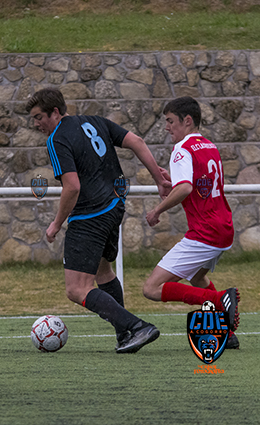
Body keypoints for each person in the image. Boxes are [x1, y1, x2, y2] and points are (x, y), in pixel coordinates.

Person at [26, 88, 172, 353]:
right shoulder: (95, 121)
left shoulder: (56, 139)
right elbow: (137, 141)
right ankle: (125, 335)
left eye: (39, 117)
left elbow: (72, 187)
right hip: (114, 207)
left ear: (55, 112)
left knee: (76, 289)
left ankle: (138, 326)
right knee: (103, 272)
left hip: (90, 215)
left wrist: (56, 223)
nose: (36, 124)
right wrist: (159, 179)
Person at [143, 96, 240, 348]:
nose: (167, 127)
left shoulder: (181, 149)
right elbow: (198, 184)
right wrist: (174, 181)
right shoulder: (209, 145)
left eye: (170, 121)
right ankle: (226, 331)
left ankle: (220, 300)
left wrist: (157, 210)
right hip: (223, 228)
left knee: (152, 288)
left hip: (204, 233)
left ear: (187, 120)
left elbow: (185, 187)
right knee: (197, 279)